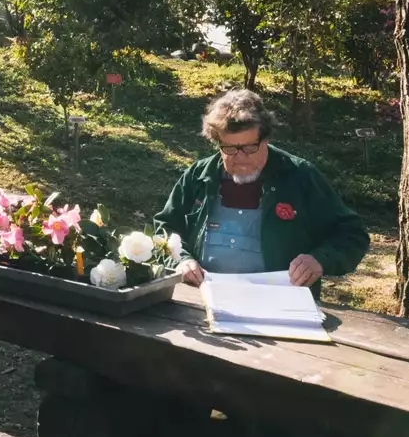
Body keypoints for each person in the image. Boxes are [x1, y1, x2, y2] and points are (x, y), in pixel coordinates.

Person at [155, 88, 368, 288]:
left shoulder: (300, 176)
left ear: (266, 138)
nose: (240, 159)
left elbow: (352, 235)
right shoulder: (198, 176)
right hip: (203, 298)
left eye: (249, 147)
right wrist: (181, 259)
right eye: (229, 149)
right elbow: (164, 229)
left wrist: (319, 260)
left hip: (283, 304)